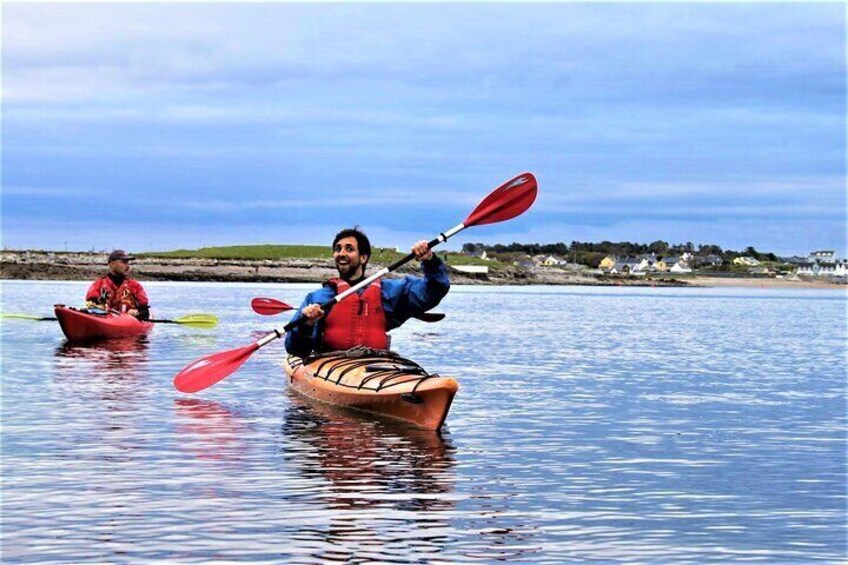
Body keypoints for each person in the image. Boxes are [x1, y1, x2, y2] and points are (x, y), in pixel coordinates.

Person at [285, 228, 450, 357]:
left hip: (375, 364)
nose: (341, 253)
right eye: (337, 249)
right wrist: (306, 325)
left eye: (349, 249)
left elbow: (435, 290)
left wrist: (430, 261)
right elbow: (297, 351)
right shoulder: (318, 298)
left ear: (363, 257)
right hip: (330, 366)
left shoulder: (390, 292)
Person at [85, 249, 150, 320]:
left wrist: (137, 313)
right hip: (105, 319)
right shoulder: (98, 285)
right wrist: (100, 309)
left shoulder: (135, 286)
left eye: (128, 263)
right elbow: (90, 305)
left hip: (128, 321)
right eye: (124, 262)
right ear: (112, 264)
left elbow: (145, 311)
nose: (128, 266)